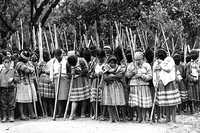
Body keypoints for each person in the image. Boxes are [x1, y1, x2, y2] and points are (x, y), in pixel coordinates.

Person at [153, 49, 181, 123]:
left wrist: (161, 64)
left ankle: (174, 119)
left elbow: (168, 69)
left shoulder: (170, 60)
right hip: (162, 83)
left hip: (170, 82)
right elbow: (155, 71)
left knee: (172, 102)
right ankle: (168, 118)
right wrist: (155, 83)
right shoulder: (156, 62)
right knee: (166, 102)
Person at [126, 51, 152, 123]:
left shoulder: (147, 65)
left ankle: (144, 117)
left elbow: (150, 76)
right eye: (136, 60)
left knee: (143, 102)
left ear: (142, 58)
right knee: (137, 102)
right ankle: (139, 117)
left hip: (144, 85)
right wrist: (132, 73)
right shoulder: (131, 65)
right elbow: (127, 75)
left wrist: (142, 75)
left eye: (139, 59)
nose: (137, 61)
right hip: (134, 85)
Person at [102, 55, 126, 122]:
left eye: (113, 62)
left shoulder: (119, 68)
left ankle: (116, 117)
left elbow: (120, 76)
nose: (112, 64)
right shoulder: (105, 67)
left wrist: (111, 76)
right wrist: (114, 76)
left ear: (116, 63)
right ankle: (111, 117)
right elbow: (105, 78)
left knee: (116, 101)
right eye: (110, 62)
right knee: (109, 102)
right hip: (109, 86)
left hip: (117, 86)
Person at [67, 52, 90, 120]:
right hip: (74, 82)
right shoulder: (68, 63)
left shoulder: (81, 61)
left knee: (84, 97)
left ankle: (82, 113)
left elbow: (86, 70)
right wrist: (71, 75)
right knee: (75, 98)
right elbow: (67, 73)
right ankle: (72, 114)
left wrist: (79, 73)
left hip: (82, 80)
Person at [15, 50, 37, 120]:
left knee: (29, 99)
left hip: (30, 82)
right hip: (22, 83)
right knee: (21, 100)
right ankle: (22, 115)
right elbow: (26, 70)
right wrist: (31, 69)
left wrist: (31, 69)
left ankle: (32, 113)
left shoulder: (29, 63)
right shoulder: (18, 63)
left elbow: (33, 69)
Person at [50, 49, 70, 117]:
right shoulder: (53, 61)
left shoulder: (66, 61)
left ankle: (66, 112)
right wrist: (51, 81)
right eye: (56, 56)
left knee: (66, 96)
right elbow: (51, 72)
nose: (58, 58)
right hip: (56, 79)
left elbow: (68, 71)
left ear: (61, 55)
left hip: (64, 79)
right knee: (58, 97)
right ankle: (59, 112)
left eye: (59, 56)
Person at [0, 56, 18, 122]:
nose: (7, 64)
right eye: (5, 62)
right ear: (3, 63)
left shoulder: (13, 70)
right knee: (3, 103)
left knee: (11, 103)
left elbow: (17, 78)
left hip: (11, 88)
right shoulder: (1, 70)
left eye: (8, 62)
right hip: (3, 89)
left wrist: (13, 79)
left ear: (10, 63)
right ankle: (4, 116)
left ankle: (11, 116)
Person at [38, 51, 55, 117]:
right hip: (44, 81)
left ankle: (49, 112)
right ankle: (47, 112)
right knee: (46, 98)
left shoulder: (51, 62)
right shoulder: (42, 63)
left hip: (47, 80)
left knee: (48, 99)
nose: (46, 56)